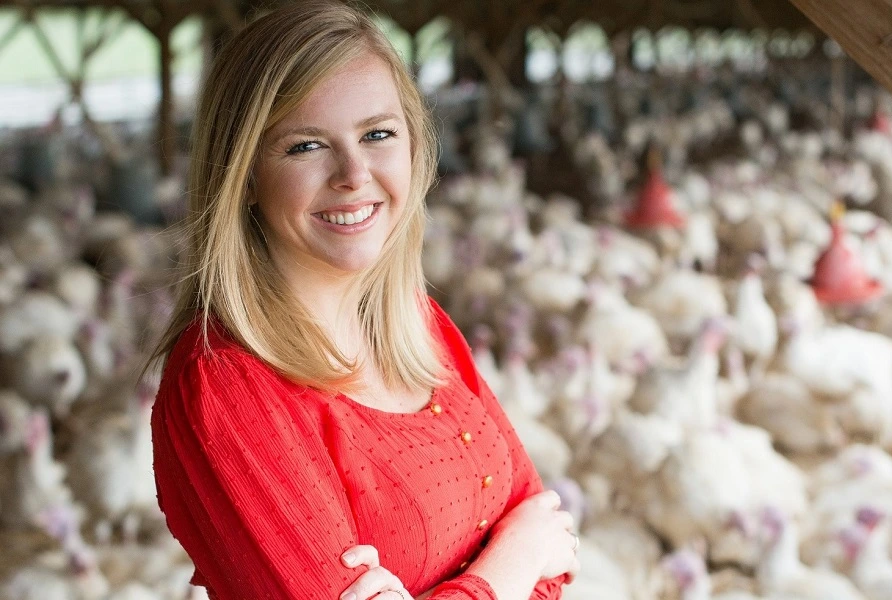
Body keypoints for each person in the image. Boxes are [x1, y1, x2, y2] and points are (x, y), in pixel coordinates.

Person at [146, 1, 580, 599]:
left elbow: (553, 543)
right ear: (243, 174)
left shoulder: (418, 327)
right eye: (305, 146)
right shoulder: (228, 385)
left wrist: (526, 558)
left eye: (377, 134)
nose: (353, 173)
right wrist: (513, 558)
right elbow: (537, 548)